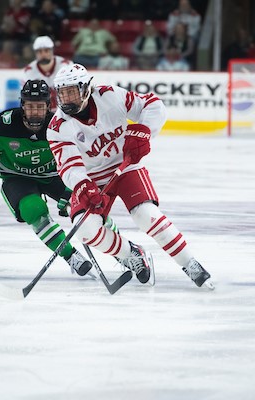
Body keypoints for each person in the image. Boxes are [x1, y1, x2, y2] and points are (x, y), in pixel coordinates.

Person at [46, 63, 214, 289]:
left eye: (72, 92)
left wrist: (143, 131)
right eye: (63, 93)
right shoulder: (57, 127)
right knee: (85, 228)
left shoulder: (110, 96)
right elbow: (68, 166)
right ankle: (132, 254)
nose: (67, 99)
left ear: (86, 88)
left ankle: (190, 263)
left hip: (125, 167)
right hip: (91, 177)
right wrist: (83, 185)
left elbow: (154, 105)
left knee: (146, 214)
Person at [0, 79, 92, 277]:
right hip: (17, 178)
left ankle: (124, 252)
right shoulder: (3, 125)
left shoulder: (60, 125)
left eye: (40, 107)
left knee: (89, 205)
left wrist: (70, 190)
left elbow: (80, 158)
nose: (35, 112)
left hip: (55, 175)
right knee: (34, 210)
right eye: (30, 107)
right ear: (22, 106)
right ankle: (70, 256)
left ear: (48, 107)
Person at [20, 35, 72, 111]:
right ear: (35, 53)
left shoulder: (66, 66)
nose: (43, 54)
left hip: (65, 111)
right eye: (40, 51)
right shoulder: (28, 72)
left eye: (46, 50)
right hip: (42, 113)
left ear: (52, 51)